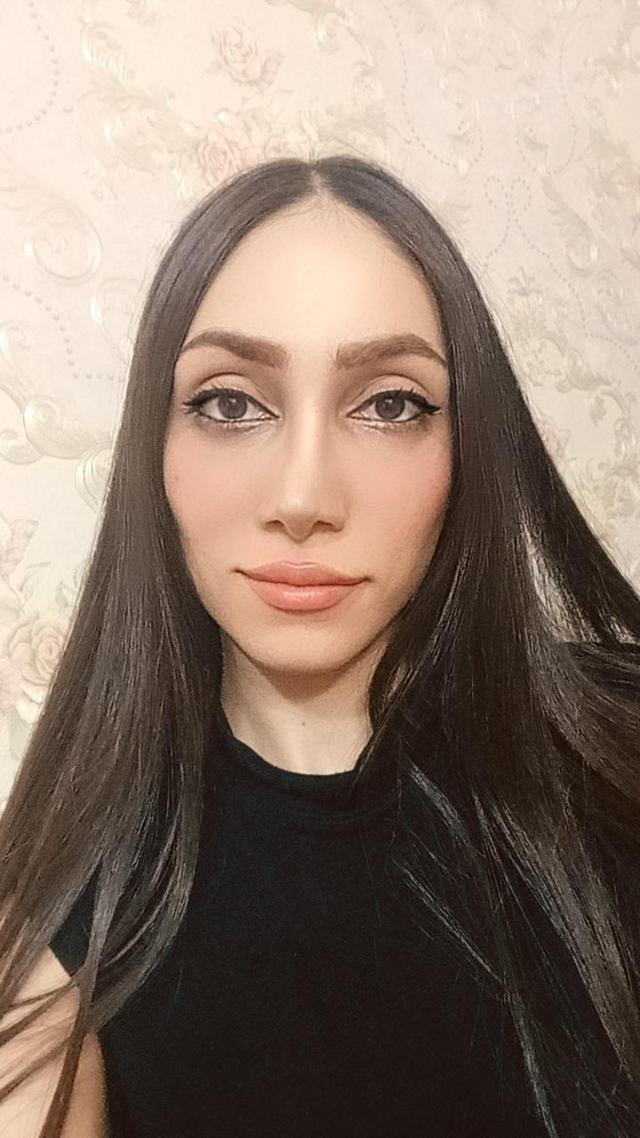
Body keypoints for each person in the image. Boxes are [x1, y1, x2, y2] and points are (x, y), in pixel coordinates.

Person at [0, 153, 638, 1138]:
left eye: (390, 404)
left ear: (466, 448)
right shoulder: (68, 946)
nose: (303, 498)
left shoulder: (617, 751)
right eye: (228, 403)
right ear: (154, 454)